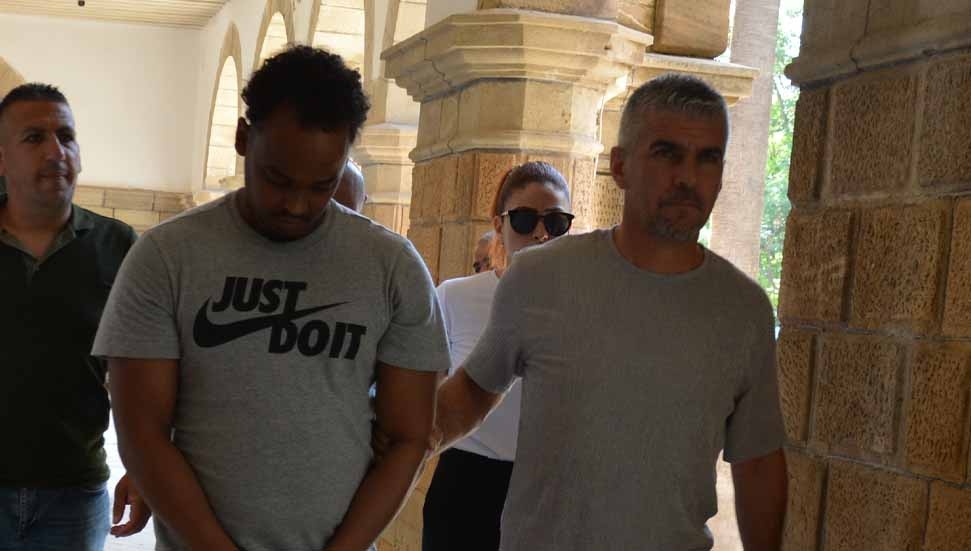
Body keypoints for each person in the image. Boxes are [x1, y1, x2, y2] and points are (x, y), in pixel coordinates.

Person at [93, 46, 451, 551]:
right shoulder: (166, 257)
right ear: (244, 138)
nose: (297, 205)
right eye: (277, 180)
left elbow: (408, 438)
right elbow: (142, 432)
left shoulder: (391, 267)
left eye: (322, 185)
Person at [433, 73, 788, 550]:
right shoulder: (540, 277)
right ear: (620, 167)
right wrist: (379, 452)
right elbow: (470, 396)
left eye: (708, 158)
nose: (688, 178)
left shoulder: (744, 311)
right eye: (667, 153)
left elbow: (758, 462)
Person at [0, 83, 150, 550]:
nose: (56, 151)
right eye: (34, 138)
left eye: (66, 136)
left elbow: (143, 370)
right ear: (1, 158)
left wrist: (144, 466)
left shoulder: (119, 246)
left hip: (73, 494)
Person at [422, 162, 574, 551]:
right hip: (466, 486)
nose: (540, 233)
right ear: (500, 224)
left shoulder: (587, 309)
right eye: (524, 219)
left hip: (548, 490)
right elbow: (423, 398)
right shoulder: (454, 297)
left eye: (556, 222)